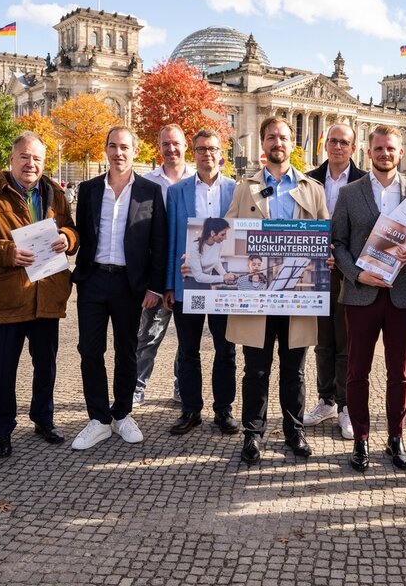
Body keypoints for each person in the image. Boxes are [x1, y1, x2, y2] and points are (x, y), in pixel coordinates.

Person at [0, 131, 79, 458]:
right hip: (6, 299)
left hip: (47, 296)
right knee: (2, 369)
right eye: (24, 156)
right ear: (11, 159)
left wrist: (68, 238)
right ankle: (2, 429)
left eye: (37, 158)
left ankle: (43, 418)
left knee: (46, 366)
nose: (31, 163)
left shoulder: (55, 194)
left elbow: (71, 228)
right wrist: (6, 252)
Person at [226, 116, 328, 465]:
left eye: (283, 138)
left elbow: (323, 237)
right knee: (255, 369)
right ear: (263, 143)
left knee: (294, 369)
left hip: (297, 294)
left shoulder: (312, 188)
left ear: (292, 143)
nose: (278, 144)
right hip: (256, 295)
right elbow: (228, 236)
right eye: (271, 138)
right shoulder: (245, 187)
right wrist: (197, 258)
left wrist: (325, 259)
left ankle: (293, 430)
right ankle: (252, 434)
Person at [331, 124, 406, 472]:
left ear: (400, 152)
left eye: (391, 149)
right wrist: (357, 274)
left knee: (398, 373)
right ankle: (360, 439)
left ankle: (395, 437)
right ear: (368, 152)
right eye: (379, 149)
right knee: (357, 371)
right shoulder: (349, 193)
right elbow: (338, 244)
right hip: (361, 294)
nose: (385, 154)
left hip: (402, 295)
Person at [69, 126, 166, 451]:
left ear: (134, 151)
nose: (118, 152)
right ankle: (98, 419)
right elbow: (80, 231)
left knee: (127, 352)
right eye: (113, 146)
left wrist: (154, 285)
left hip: (130, 284)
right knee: (90, 351)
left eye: (124, 147)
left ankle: (122, 414)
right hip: (93, 280)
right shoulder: (89, 189)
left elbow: (159, 242)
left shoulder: (149, 191)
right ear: (106, 149)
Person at [164, 128, 239, 436]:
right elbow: (171, 239)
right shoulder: (177, 191)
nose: (207, 154)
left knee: (226, 350)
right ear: (192, 153)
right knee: (187, 350)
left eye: (212, 148)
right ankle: (191, 409)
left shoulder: (237, 189)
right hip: (187, 283)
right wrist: (170, 284)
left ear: (221, 153)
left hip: (224, 286)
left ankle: (223, 410)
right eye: (200, 149)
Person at [303, 123, 367, 439]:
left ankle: (345, 406)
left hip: (349, 274)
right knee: (323, 340)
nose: (337, 146)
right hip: (315, 273)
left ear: (353, 148)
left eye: (344, 142)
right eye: (332, 141)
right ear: (324, 144)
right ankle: (325, 399)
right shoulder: (309, 179)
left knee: (347, 343)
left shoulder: (364, 182)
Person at [133, 124, 195, 406]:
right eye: (165, 144)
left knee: (187, 340)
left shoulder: (199, 178)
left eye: (176, 143)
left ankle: (182, 387)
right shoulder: (146, 182)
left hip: (192, 274)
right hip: (157, 273)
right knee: (149, 335)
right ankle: (137, 387)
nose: (171, 149)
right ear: (158, 147)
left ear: (185, 145)